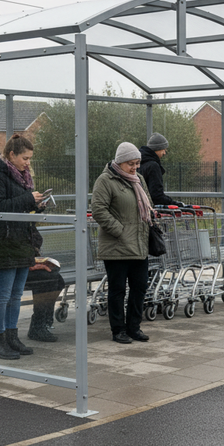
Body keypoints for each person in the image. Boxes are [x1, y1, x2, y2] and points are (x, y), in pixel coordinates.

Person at [0, 134, 47, 359]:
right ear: (12, 155)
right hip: (2, 242)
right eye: (25, 158)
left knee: (16, 295)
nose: (28, 163)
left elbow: (20, 208)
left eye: (30, 159)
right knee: (2, 295)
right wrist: (29, 199)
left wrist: (36, 206)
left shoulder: (21, 176)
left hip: (21, 241)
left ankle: (11, 337)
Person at [91, 142, 153, 344]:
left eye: (137, 163)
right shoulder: (105, 180)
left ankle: (134, 327)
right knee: (117, 290)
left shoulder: (139, 179)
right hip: (117, 246)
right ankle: (118, 330)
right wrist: (120, 230)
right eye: (130, 164)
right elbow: (99, 209)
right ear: (120, 162)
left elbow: (147, 204)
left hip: (138, 244)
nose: (135, 167)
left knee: (140, 287)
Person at [138, 132, 181, 207]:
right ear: (157, 149)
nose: (164, 153)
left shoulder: (138, 163)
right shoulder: (153, 166)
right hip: (148, 208)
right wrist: (175, 204)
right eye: (163, 149)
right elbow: (157, 196)